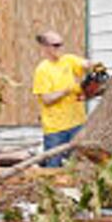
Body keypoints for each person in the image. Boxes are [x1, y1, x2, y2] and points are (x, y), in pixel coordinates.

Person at [32, 30, 90, 167]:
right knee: (53, 166)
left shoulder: (68, 60)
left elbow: (85, 64)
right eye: (56, 45)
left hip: (77, 123)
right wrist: (67, 90)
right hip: (55, 129)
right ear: (46, 47)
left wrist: (93, 66)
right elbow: (47, 99)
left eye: (62, 44)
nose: (60, 48)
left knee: (78, 165)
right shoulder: (42, 70)